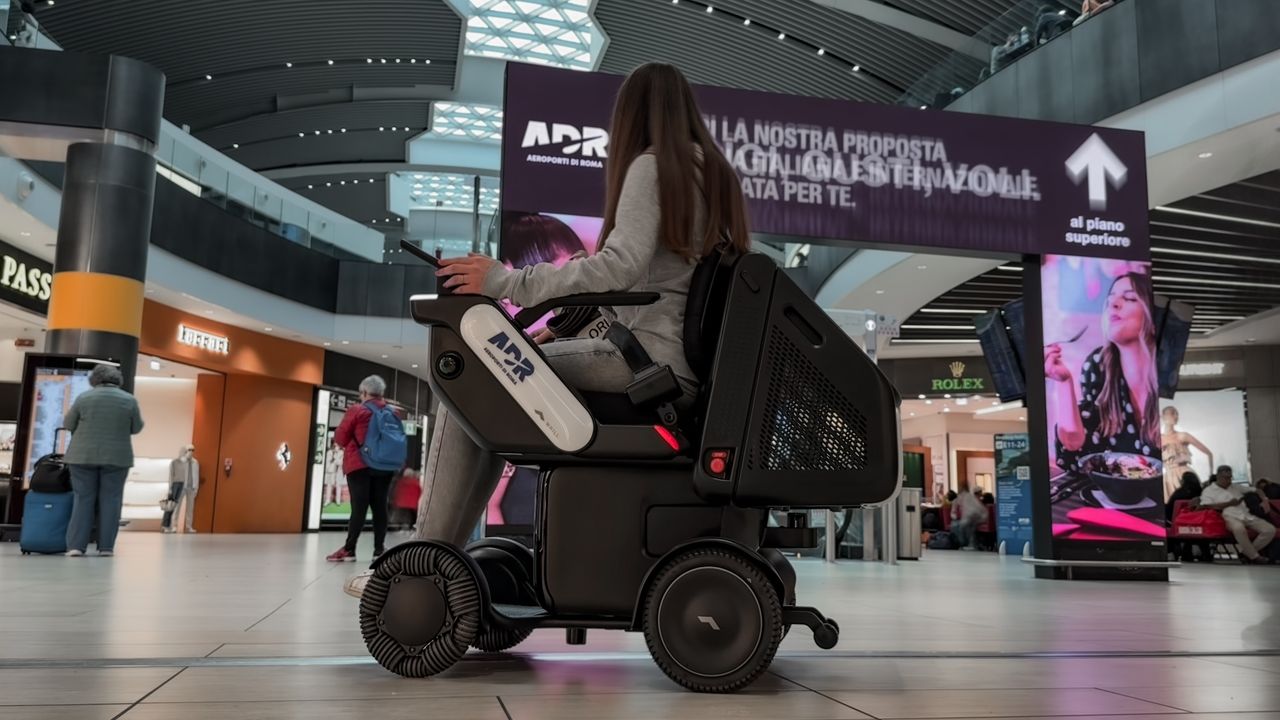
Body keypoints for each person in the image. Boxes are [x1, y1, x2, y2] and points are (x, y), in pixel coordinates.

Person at [345, 62, 752, 598]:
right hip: (666, 363)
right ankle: (445, 554)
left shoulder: (652, 167)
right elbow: (655, 292)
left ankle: (425, 558)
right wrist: (564, 341)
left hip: (643, 365)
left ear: (631, 116)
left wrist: (504, 280)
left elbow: (617, 268)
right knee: (497, 386)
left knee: (475, 383)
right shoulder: (714, 177)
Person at [1046, 272, 1160, 477]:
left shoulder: (1166, 370)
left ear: (1153, 319)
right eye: (1110, 300)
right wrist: (1063, 382)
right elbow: (1075, 448)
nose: (1113, 304)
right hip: (1115, 502)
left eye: (1130, 298)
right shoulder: (1098, 366)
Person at [62, 364, 145, 557]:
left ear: (95, 379)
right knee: (111, 500)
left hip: (82, 456)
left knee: (83, 499)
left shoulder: (84, 398)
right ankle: (106, 547)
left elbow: (68, 423)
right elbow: (137, 427)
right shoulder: (129, 400)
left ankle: (76, 546)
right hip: (117, 457)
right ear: (118, 380)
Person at [327, 375, 400, 562]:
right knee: (380, 506)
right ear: (381, 393)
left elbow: (341, 439)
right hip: (384, 466)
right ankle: (379, 550)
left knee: (359, 507)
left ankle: (350, 549)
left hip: (359, 465)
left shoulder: (357, 410)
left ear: (365, 392)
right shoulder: (392, 412)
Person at [1200, 466, 1275, 566]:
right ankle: (1255, 557)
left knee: (1269, 530)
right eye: (1225, 478)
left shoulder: (1235, 487)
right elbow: (1206, 506)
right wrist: (1229, 503)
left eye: (1230, 477)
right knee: (1239, 529)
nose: (1228, 480)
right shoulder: (1209, 491)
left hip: (1245, 514)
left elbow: (1257, 490)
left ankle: (1246, 554)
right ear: (1218, 476)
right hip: (1228, 516)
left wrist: (1264, 500)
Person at [1160, 406, 1213, 501]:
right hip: (1168, 478)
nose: (1176, 416)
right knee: (1171, 508)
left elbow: (1208, 453)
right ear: (1163, 417)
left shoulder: (1182, 436)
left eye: (1177, 414)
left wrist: (1211, 477)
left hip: (1184, 475)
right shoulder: (1158, 438)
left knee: (1189, 503)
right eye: (1172, 413)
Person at [1166, 471, 1209, 563]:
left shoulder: (1178, 494)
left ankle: (1170, 553)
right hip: (1198, 523)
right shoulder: (1202, 494)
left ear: (1183, 481)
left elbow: (1170, 509)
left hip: (1178, 522)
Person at [951, 484, 987, 551]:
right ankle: (968, 543)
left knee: (966, 524)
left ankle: (969, 544)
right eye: (980, 492)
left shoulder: (973, 500)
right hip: (973, 519)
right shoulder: (971, 500)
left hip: (976, 519)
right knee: (965, 525)